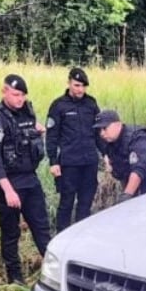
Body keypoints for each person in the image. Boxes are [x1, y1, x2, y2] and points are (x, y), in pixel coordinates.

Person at [0, 74, 51, 286]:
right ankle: (15, 277)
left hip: (29, 178)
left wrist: (39, 132)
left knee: (41, 225)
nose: (20, 99)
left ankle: (51, 268)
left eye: (22, 95)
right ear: (4, 92)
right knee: (11, 231)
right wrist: (8, 190)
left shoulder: (26, 112)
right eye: (16, 94)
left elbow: (30, 140)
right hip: (8, 182)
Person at [46, 67, 101, 232]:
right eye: (77, 85)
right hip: (69, 162)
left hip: (89, 161)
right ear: (69, 82)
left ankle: (80, 235)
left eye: (83, 86)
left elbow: (99, 133)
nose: (80, 89)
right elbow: (52, 136)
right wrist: (53, 162)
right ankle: (61, 235)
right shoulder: (58, 106)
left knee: (86, 202)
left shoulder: (91, 104)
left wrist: (106, 154)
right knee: (66, 201)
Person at [94, 109, 146, 203]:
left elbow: (138, 170)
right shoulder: (110, 142)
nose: (102, 133)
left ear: (118, 124)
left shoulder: (137, 138)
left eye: (105, 128)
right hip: (141, 181)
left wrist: (126, 196)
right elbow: (122, 172)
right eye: (99, 130)